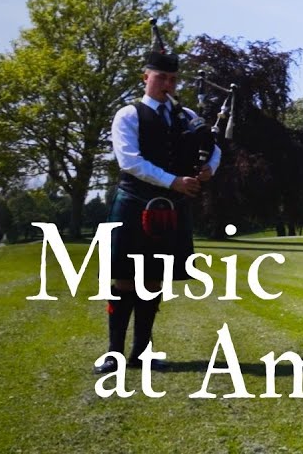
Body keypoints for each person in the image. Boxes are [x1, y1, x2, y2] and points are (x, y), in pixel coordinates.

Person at [95, 45, 220, 374]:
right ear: (146, 77)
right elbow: (130, 162)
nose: (167, 84)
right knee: (124, 279)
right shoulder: (128, 114)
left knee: (152, 280)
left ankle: (140, 352)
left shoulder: (187, 117)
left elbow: (213, 146)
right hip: (135, 202)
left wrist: (210, 169)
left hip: (172, 207)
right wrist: (174, 181)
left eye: (173, 79)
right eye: (161, 77)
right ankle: (113, 354)